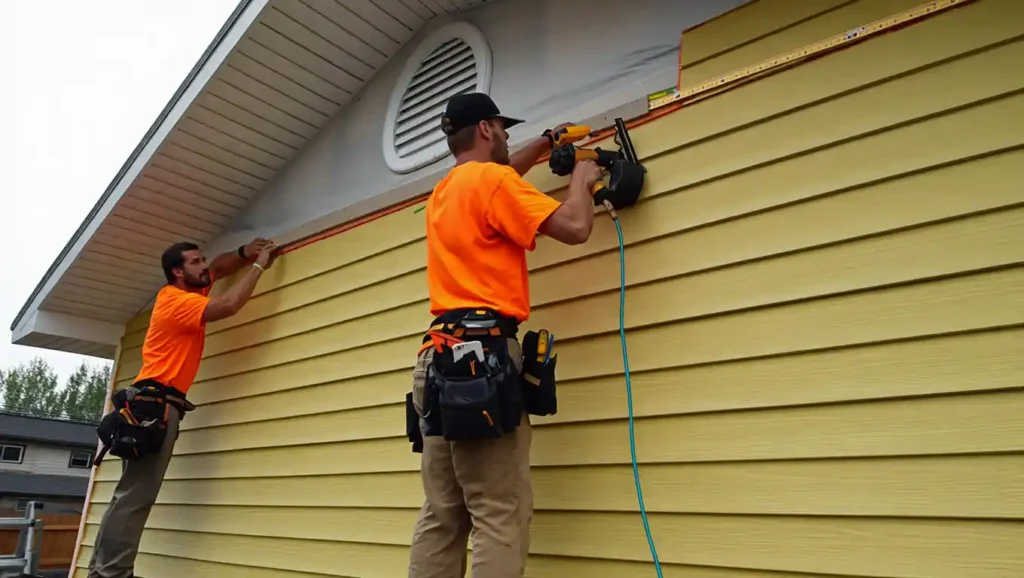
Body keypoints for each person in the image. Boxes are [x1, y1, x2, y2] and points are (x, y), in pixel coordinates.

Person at [407, 92, 602, 578]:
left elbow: (505, 175)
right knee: (498, 512)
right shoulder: (493, 181)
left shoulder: (447, 190)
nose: (509, 136)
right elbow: (576, 226)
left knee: (443, 515)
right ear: (488, 129)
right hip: (483, 359)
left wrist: (548, 142)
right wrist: (582, 179)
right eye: (505, 128)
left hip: (437, 360)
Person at [87, 237, 278, 578]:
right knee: (136, 495)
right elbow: (230, 305)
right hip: (154, 406)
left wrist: (241, 253)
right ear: (177, 272)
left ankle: (103, 570)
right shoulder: (175, 300)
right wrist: (259, 265)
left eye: (201, 259)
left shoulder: (190, 292)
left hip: (152, 403)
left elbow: (218, 268)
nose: (204, 266)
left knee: (127, 495)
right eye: (194, 262)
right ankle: (112, 573)